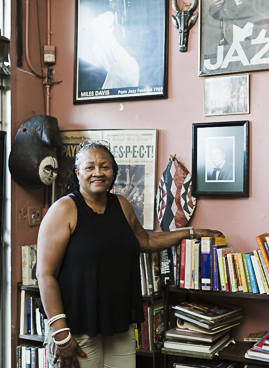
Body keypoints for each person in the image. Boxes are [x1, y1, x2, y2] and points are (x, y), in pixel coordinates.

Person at [36, 141, 222, 368]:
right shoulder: (63, 210)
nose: (98, 173)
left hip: (118, 323)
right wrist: (61, 334)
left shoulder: (122, 205)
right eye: (89, 167)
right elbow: (45, 275)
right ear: (77, 173)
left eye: (104, 167)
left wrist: (191, 233)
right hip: (76, 326)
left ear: (114, 172)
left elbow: (145, 240)